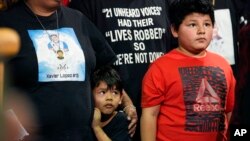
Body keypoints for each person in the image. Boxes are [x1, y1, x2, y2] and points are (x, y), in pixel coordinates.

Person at [0, 0, 130, 140]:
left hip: (82, 136)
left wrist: (127, 103)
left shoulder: (78, 19)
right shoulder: (6, 23)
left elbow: (107, 65)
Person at [68, 0, 173, 140]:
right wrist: (126, 102)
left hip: (163, 118)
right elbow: (89, 63)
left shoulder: (167, 2)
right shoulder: (86, 4)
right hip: (113, 122)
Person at [140, 0, 236, 141]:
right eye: (193, 25)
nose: (201, 30)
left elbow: (229, 111)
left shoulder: (223, 65)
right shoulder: (159, 68)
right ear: (174, 30)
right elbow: (150, 115)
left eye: (207, 24)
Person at [91, 66, 131, 141]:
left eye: (115, 93)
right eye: (102, 92)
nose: (109, 98)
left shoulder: (121, 119)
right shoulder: (86, 118)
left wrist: (96, 128)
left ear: (121, 98)